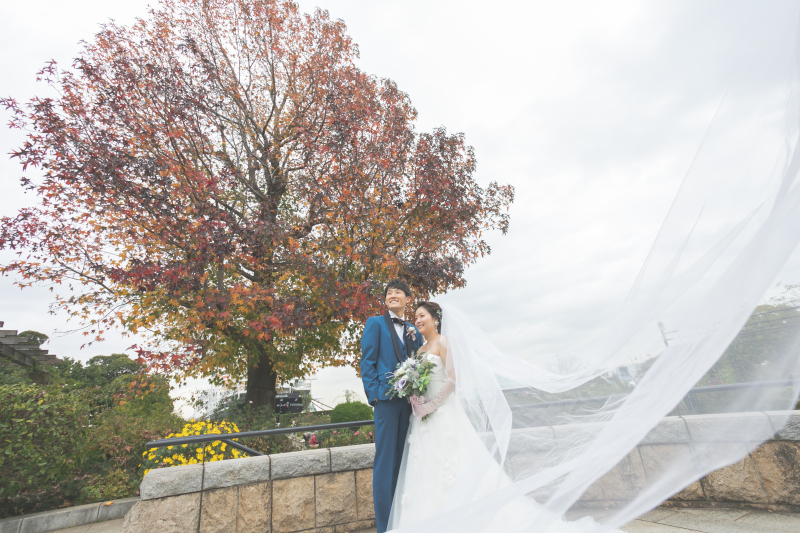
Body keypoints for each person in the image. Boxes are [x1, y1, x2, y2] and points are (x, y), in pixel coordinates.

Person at [360, 279, 424, 533]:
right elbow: (367, 361)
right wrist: (374, 395)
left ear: (408, 299)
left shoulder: (413, 329)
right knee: (385, 461)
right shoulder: (375, 323)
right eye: (389, 293)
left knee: (404, 460)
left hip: (409, 404)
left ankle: (403, 520)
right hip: (385, 401)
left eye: (398, 292)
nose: (393, 295)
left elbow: (420, 362)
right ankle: (385, 527)